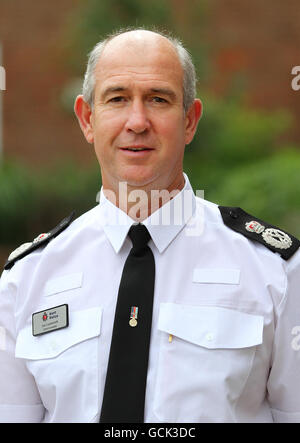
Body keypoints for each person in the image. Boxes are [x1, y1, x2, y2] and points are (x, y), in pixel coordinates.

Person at [0, 27, 300, 424]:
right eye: (118, 99)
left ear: (190, 120)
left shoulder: (276, 272)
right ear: (88, 119)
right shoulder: (27, 279)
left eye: (158, 99)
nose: (137, 121)